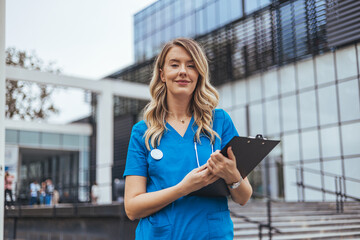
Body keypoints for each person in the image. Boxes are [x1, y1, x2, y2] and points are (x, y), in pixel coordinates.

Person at [123, 38, 253, 239]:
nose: (183, 71)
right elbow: (132, 208)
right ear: (162, 74)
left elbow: (243, 197)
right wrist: (183, 188)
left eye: (191, 66)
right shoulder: (142, 132)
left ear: (198, 74)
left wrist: (232, 175)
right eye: (174, 65)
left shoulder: (220, 122)